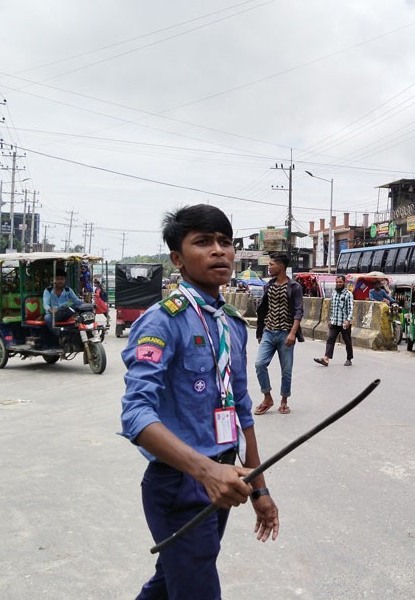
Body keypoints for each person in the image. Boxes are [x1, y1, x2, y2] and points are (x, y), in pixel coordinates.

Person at [120, 204, 278, 599]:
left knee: (170, 582)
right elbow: (136, 416)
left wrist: (259, 489)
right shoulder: (162, 322)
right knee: (196, 587)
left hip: (224, 481)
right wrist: (205, 472)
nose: (218, 251)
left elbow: (241, 410)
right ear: (178, 258)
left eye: (225, 242)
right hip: (180, 484)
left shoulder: (232, 324)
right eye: (203, 242)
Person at [253, 252, 303, 415]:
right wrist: (260, 331)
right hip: (268, 331)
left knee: (286, 370)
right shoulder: (268, 285)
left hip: (285, 333)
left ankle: (284, 401)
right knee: (260, 364)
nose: (269, 267)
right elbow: (263, 309)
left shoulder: (294, 287)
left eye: (271, 264)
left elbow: (298, 311)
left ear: (281, 266)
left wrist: (292, 333)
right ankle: (267, 397)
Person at [314, 275, 354, 367]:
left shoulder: (348, 294)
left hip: (344, 323)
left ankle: (349, 358)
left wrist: (348, 320)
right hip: (335, 322)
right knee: (330, 339)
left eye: (340, 282)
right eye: (337, 282)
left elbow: (351, 308)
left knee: (347, 341)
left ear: (344, 283)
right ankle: (326, 359)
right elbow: (332, 307)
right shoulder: (334, 293)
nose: (338, 284)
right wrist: (330, 320)